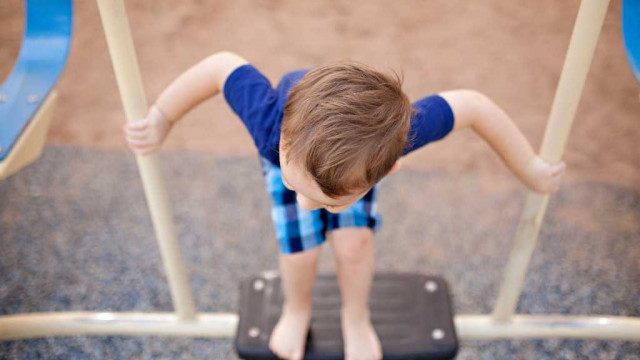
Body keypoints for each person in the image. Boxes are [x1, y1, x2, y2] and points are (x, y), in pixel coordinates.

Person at [123, 51, 565, 360]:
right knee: (301, 249)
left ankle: (357, 317)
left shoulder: (399, 138)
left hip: (349, 162)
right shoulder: (269, 121)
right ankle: (297, 309)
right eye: (305, 192)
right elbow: (221, 66)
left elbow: (473, 105)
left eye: (321, 200)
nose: (305, 204)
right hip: (293, 157)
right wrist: (161, 117)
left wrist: (529, 167)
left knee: (353, 245)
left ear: (389, 172)